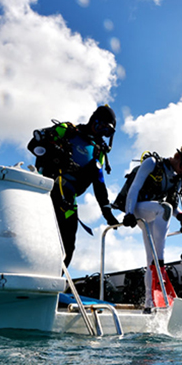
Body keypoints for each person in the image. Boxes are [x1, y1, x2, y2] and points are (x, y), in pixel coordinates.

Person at [28, 105, 120, 266]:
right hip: (44, 191)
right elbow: (33, 145)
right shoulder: (67, 131)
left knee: (68, 246)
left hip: (68, 201)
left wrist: (107, 213)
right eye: (101, 127)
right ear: (93, 120)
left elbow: (99, 183)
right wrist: (57, 154)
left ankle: (55, 280)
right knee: (37, 238)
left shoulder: (98, 151)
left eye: (107, 131)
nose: (101, 133)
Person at [118, 144, 182, 309]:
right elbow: (134, 188)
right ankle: (161, 263)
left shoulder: (177, 179)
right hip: (136, 208)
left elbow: (171, 206)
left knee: (150, 260)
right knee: (164, 210)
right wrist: (129, 213)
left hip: (153, 213)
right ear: (177, 156)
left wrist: (180, 215)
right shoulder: (152, 163)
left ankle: (149, 304)